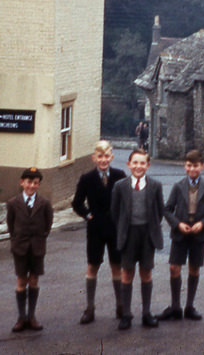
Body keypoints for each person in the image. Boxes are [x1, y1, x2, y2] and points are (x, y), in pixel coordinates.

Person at [157, 149, 204, 322]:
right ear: (184, 166)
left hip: (199, 235)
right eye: (189, 165)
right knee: (174, 267)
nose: (192, 169)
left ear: (202, 167)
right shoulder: (178, 186)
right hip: (180, 234)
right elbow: (167, 209)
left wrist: (203, 224)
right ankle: (175, 306)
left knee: (194, 268)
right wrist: (177, 224)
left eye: (195, 166)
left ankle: (190, 306)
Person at [71, 139, 127, 324]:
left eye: (106, 156)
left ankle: (120, 306)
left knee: (116, 266)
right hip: (95, 229)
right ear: (94, 158)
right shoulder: (86, 179)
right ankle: (90, 307)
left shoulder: (120, 175)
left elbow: (126, 201)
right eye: (100, 156)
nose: (103, 160)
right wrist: (88, 216)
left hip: (115, 228)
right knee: (93, 266)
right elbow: (77, 203)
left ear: (112, 157)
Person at [110, 147, 165, 330]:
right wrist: (123, 229)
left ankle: (146, 313)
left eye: (142, 163)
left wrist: (151, 230)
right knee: (127, 273)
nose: (138, 166)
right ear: (128, 164)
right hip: (128, 234)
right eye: (135, 162)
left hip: (147, 235)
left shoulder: (155, 186)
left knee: (146, 272)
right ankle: (126, 314)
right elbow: (115, 212)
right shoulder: (120, 186)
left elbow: (159, 211)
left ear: (148, 165)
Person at [6, 166, 54, 333]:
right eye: (29, 182)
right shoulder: (13, 203)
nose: (31, 186)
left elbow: (48, 225)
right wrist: (17, 240)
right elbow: (11, 226)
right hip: (20, 248)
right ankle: (21, 317)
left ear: (39, 185)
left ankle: (31, 316)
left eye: (35, 183)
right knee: (21, 281)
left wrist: (39, 239)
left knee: (34, 280)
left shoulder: (45, 204)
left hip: (37, 248)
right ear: (22, 183)